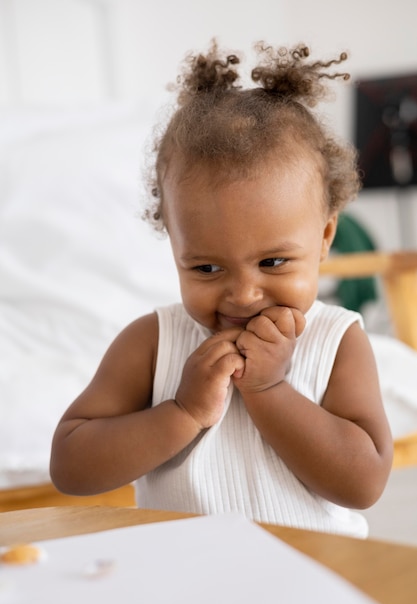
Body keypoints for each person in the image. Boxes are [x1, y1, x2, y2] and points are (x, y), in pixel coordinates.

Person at [50, 41, 393, 537]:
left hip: (314, 581)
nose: (243, 295)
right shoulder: (152, 343)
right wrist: (183, 412)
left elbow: (362, 484)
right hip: (185, 585)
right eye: (207, 268)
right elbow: (71, 467)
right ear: (175, 247)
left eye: (273, 262)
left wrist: (269, 390)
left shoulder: (336, 341)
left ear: (324, 237)